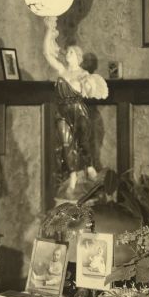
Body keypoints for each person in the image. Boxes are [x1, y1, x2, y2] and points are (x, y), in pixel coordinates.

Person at [43, 16, 108, 193]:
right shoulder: (62, 71)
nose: (68, 55)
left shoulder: (83, 74)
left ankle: (88, 166)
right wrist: (49, 30)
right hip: (62, 111)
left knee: (82, 141)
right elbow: (48, 54)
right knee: (66, 143)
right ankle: (72, 173)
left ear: (78, 58)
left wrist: (88, 84)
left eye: (71, 53)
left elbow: (91, 88)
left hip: (78, 110)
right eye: (68, 53)